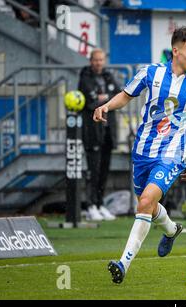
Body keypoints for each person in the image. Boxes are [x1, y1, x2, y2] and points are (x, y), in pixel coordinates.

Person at [93, 26, 186, 284]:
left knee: (146, 200)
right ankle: (172, 230)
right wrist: (106, 105)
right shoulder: (151, 73)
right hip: (142, 152)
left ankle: (123, 264)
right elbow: (125, 96)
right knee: (146, 206)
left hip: (174, 154)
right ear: (176, 50)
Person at [78, 49, 119, 222]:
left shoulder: (109, 76)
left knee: (104, 171)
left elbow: (118, 94)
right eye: (96, 60)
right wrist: (106, 98)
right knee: (93, 170)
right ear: (91, 60)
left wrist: (105, 97)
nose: (98, 63)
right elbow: (91, 100)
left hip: (108, 131)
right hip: (92, 131)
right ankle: (90, 205)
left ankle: (100, 204)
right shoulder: (85, 76)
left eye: (101, 60)